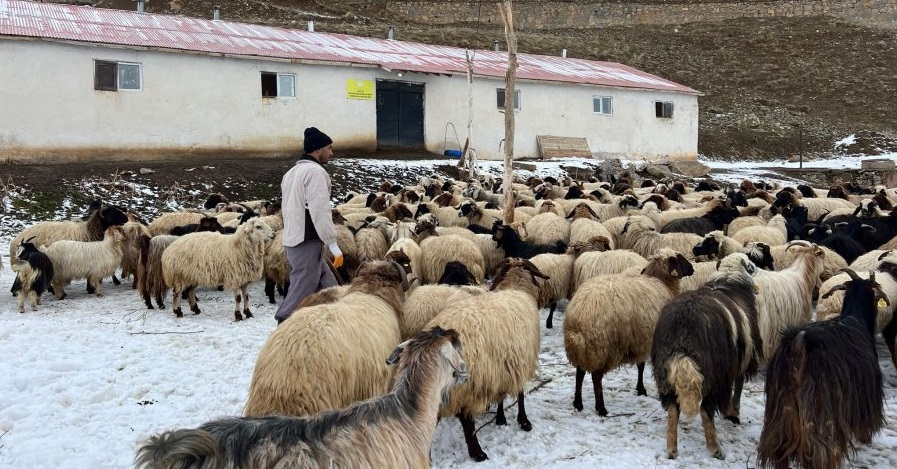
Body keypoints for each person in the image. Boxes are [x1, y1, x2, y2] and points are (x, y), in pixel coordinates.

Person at [274, 127, 343, 324]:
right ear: (317, 149)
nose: (331, 152)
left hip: (295, 238)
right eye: (329, 148)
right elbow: (319, 211)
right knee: (302, 286)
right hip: (307, 239)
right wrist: (332, 243)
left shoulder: (291, 173)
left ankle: (339, 319)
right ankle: (284, 323)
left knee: (328, 286)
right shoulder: (315, 172)